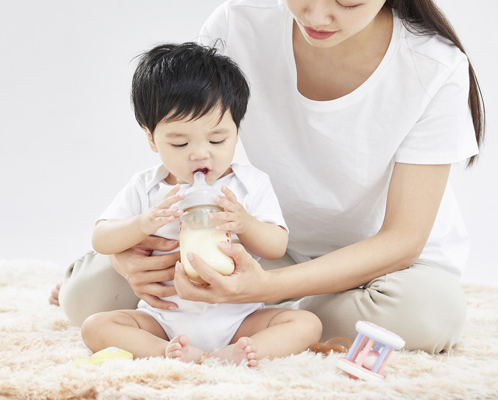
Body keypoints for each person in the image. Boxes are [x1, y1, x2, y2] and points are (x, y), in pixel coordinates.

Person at [53, 0, 485, 355]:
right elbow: (187, 147)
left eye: (347, 1)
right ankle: (261, 316)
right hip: (262, 244)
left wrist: (262, 288)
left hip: (376, 266)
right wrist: (125, 261)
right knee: (87, 300)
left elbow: (402, 240)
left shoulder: (433, 66)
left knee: (426, 317)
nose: (316, 16)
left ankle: (273, 310)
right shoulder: (239, 23)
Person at [78, 42, 322, 367]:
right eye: (179, 142)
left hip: (238, 317)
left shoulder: (248, 184)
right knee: (96, 327)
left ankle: (238, 351)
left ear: (237, 131)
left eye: (217, 139)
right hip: (164, 318)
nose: (200, 153)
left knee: (307, 324)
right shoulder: (147, 186)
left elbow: (277, 246)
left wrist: (246, 224)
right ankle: (165, 353)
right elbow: (101, 239)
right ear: (151, 138)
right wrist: (142, 224)